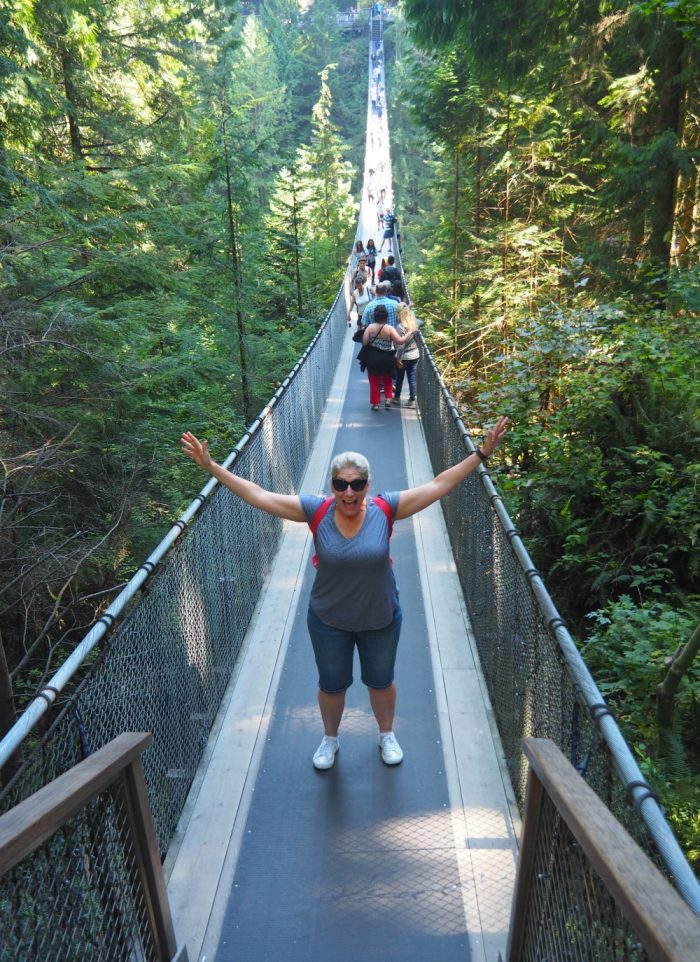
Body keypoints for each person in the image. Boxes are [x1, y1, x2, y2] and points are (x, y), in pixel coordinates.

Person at [179, 416, 509, 770]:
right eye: (340, 484)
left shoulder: (386, 509)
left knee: (381, 682)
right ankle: (330, 739)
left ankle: (386, 735)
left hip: (380, 617)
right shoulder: (315, 511)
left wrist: (481, 454)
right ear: (332, 486)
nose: (349, 492)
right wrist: (212, 467)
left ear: (368, 485)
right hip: (328, 621)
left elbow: (439, 485)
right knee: (332, 685)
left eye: (357, 484)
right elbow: (259, 496)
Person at [361, 304, 410, 411]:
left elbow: (364, 343)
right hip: (388, 358)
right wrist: (410, 332)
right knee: (388, 379)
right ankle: (388, 400)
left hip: (373, 358)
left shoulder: (370, 327)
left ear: (375, 316)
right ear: (386, 316)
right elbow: (400, 341)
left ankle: (376, 404)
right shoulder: (390, 328)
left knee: (374, 381)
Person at [394, 302, 420, 407]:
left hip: (404, 356)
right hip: (415, 354)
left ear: (399, 315)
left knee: (399, 377)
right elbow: (421, 322)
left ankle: (396, 398)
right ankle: (412, 400)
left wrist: (398, 359)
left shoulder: (400, 327)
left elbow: (400, 346)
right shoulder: (414, 324)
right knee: (412, 377)